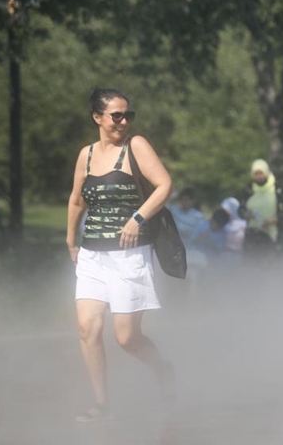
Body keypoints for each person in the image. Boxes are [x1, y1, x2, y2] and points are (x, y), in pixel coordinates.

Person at [66, 88, 175, 422]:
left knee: (126, 338)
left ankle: (164, 371)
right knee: (87, 328)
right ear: (97, 117)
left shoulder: (135, 146)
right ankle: (102, 403)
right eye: (116, 115)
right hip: (92, 254)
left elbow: (164, 185)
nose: (124, 121)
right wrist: (71, 240)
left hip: (129, 254)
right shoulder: (85, 155)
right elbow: (76, 200)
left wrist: (137, 218)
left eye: (128, 115)